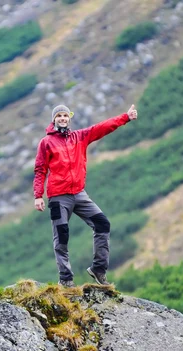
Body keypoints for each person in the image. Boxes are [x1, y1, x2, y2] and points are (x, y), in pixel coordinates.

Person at [33, 103, 138, 287]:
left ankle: (98, 269)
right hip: (58, 197)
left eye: (65, 115)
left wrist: (125, 117)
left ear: (69, 118)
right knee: (62, 236)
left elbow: (102, 128)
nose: (63, 119)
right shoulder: (46, 143)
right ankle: (66, 280)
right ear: (54, 120)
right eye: (59, 116)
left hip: (79, 194)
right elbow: (40, 170)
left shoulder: (79, 136)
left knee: (102, 224)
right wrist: (38, 195)